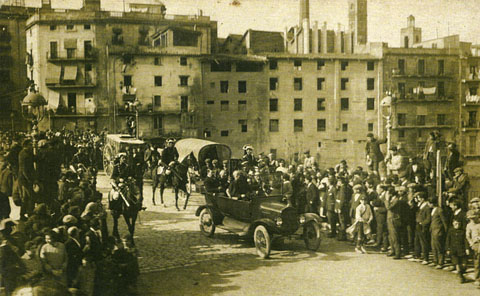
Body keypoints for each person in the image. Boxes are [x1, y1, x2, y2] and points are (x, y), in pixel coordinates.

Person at [446, 219, 469, 283]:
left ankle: (461, 273)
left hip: (461, 250)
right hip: (454, 250)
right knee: (457, 263)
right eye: (456, 224)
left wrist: (467, 248)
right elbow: (448, 240)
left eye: (459, 224)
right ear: (453, 223)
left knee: (464, 264)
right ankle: (460, 276)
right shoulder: (450, 231)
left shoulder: (463, 231)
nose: (457, 225)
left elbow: (465, 241)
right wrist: (448, 249)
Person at [429, 199, 447, 269]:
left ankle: (440, 262)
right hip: (433, 230)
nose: (429, 205)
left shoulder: (439, 210)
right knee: (433, 246)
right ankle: (435, 261)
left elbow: (444, 221)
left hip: (438, 230)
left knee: (439, 247)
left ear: (433, 203)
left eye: (430, 203)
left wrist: (445, 231)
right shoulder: (433, 210)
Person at [385, 187, 402, 259]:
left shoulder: (396, 200)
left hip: (394, 219)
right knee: (391, 236)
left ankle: (398, 253)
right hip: (390, 219)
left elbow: (388, 207)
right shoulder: (393, 199)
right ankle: (393, 250)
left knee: (395, 236)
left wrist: (386, 199)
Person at [415, 192, 431, 265]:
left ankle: (426, 258)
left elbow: (428, 218)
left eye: (418, 198)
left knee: (424, 242)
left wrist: (423, 223)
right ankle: (420, 256)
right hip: (418, 225)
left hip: (423, 227)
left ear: (422, 198)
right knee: (419, 241)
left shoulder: (427, 207)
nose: (418, 200)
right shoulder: (421, 205)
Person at [466, 210, 480, 286]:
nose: (472, 220)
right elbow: (467, 236)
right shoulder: (469, 225)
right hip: (476, 245)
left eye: (474, 218)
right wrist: (471, 243)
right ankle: (477, 278)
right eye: (471, 218)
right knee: (477, 262)